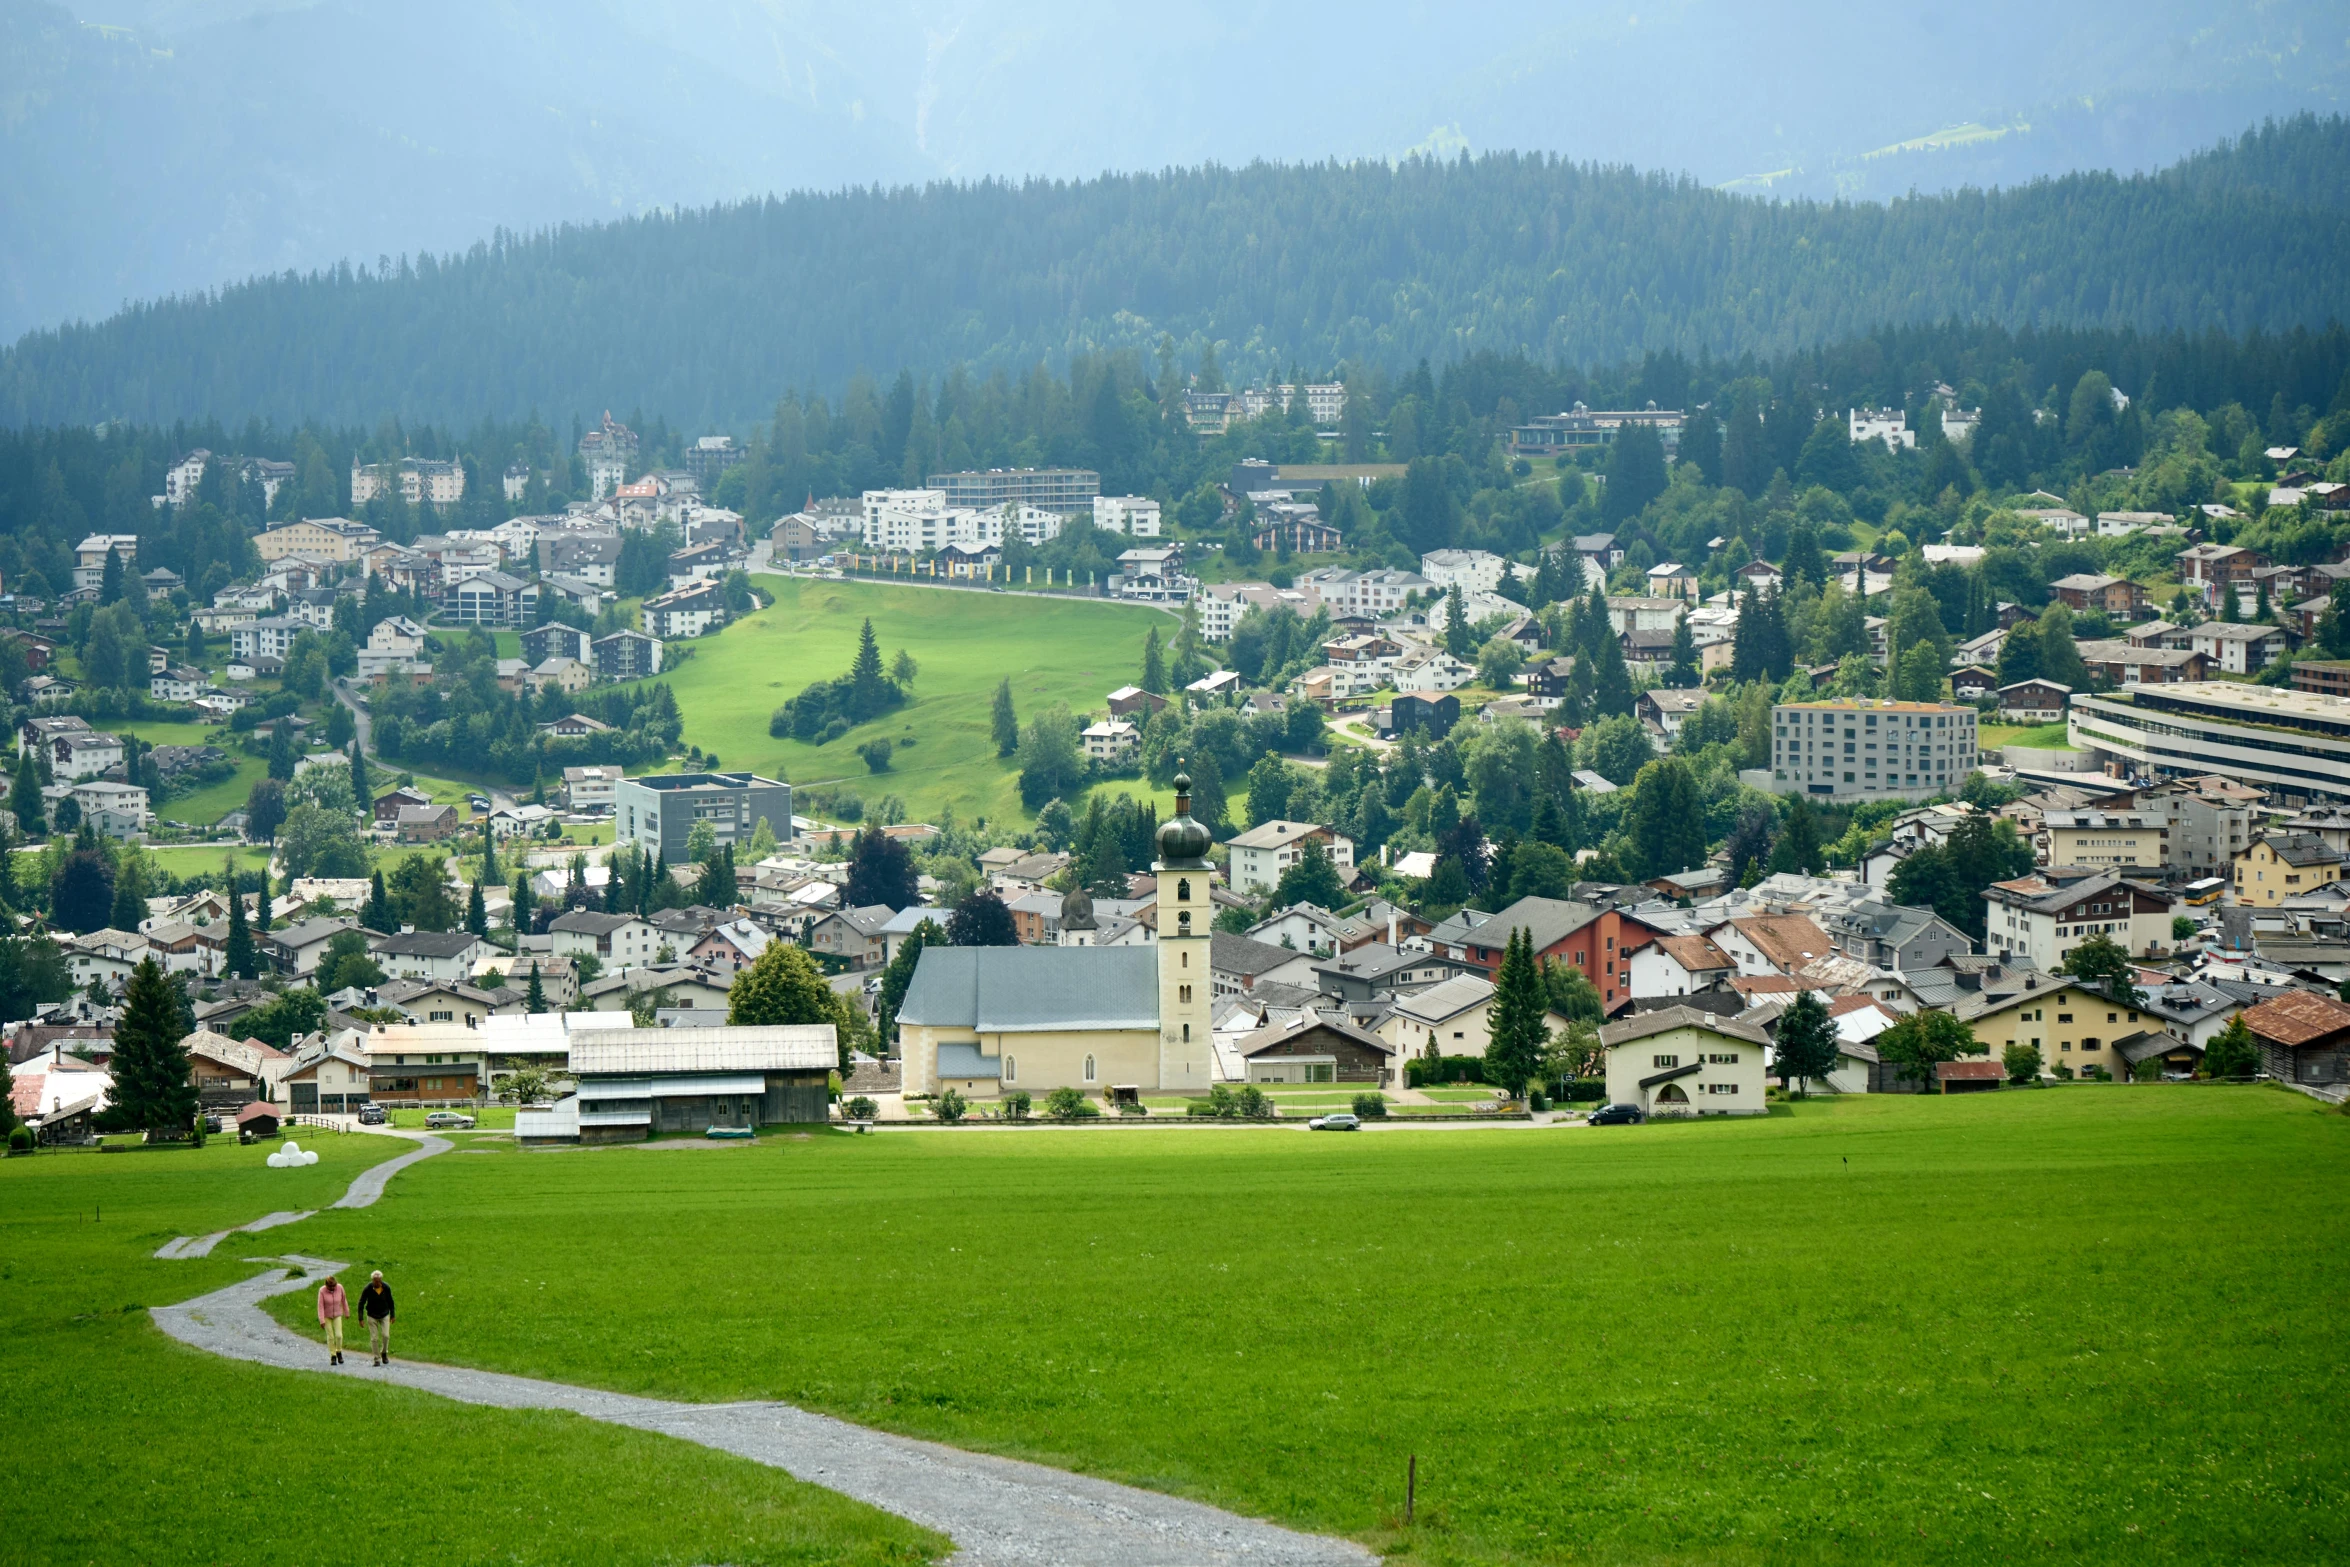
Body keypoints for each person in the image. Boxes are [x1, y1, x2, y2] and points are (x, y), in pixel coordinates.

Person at [357, 1269, 396, 1366]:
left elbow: (391, 1301)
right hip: (372, 1315)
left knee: (386, 1335)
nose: (377, 1282)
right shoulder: (368, 1288)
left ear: (381, 1280)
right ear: (372, 1280)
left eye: (378, 1280)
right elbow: (361, 1302)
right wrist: (360, 1318)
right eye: (375, 1280)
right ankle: (376, 1359)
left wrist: (392, 1315)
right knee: (374, 1338)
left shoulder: (386, 1288)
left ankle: (384, 1353)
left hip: (384, 1314)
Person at [316, 1274, 350, 1365]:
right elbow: (320, 1306)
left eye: (334, 1286)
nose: (332, 1288)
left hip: (337, 1315)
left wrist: (346, 1312)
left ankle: (339, 1352)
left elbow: (344, 1300)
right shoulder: (322, 1291)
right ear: (326, 1285)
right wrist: (321, 1320)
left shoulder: (340, 1288)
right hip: (327, 1316)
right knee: (330, 1336)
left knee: (339, 1335)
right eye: (330, 1286)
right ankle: (333, 1356)